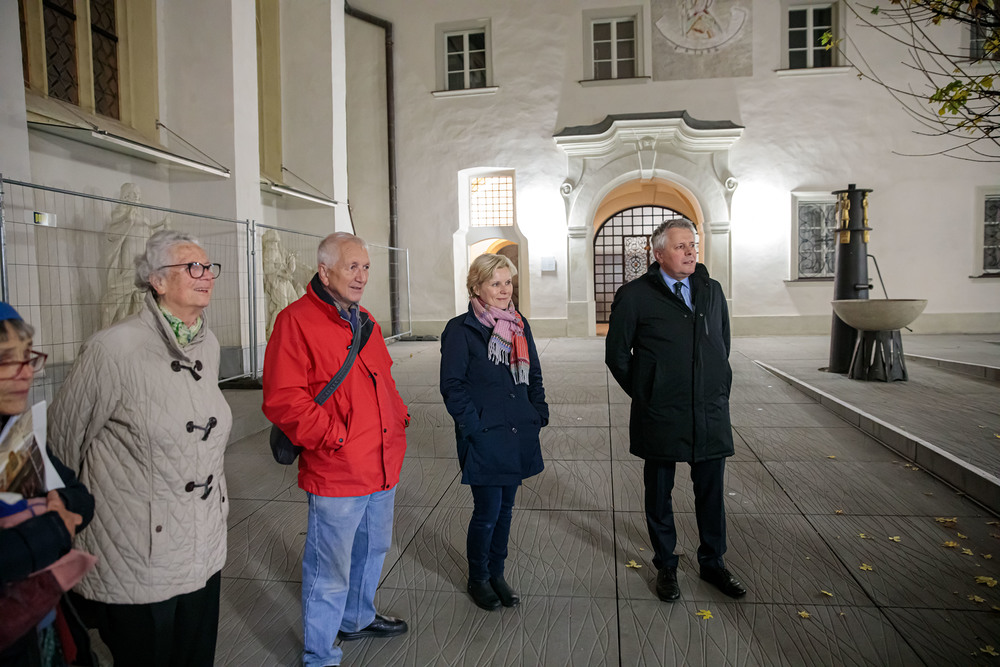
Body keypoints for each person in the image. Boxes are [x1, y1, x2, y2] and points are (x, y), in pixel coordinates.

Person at [48, 229, 233, 666]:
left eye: (209, 267)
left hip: (203, 544)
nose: (206, 275)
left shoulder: (207, 344)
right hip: (138, 553)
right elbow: (62, 441)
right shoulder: (112, 349)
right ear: (157, 280)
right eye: (192, 267)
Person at [263, 232, 410, 667]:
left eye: (366, 267)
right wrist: (335, 437)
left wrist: (399, 417)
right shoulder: (295, 321)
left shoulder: (366, 320)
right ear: (325, 272)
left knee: (372, 551)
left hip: (382, 463)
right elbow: (284, 400)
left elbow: (382, 379)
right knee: (328, 569)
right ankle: (320, 653)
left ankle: (357, 618)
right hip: (338, 468)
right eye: (352, 267)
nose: (361, 276)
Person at [605, 219, 747, 602]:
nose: (690, 252)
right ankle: (666, 564)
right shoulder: (635, 295)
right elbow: (617, 355)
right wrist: (647, 392)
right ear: (659, 253)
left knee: (711, 492)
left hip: (709, 410)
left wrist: (718, 385)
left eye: (692, 245)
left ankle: (713, 562)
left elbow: (722, 343)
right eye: (681, 246)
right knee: (659, 491)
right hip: (661, 411)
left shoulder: (711, 289)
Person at [439, 253, 548, 611]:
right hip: (485, 434)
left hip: (516, 431)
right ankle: (479, 578)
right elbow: (452, 386)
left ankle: (497, 573)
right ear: (476, 287)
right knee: (487, 511)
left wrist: (538, 411)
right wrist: (474, 425)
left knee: (506, 510)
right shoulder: (461, 330)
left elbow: (533, 372)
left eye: (508, 282)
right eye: (495, 283)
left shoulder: (518, 323)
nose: (504, 290)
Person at [0, 304, 95, 667]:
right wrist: (54, 527)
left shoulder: (15, 438)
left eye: (28, 358)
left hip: (41, 628)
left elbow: (81, 497)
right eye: (7, 361)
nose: (26, 373)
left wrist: (60, 508)